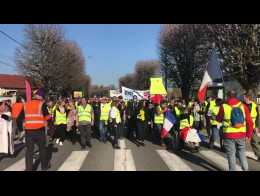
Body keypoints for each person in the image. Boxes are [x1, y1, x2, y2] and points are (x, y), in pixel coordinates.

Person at [216, 90, 254, 171]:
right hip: (241, 134)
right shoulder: (243, 106)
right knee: (242, 154)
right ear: (236, 96)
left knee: (231, 155)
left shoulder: (224, 106)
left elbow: (218, 119)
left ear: (228, 96)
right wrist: (249, 135)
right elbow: (250, 122)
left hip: (228, 135)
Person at [22, 89, 50, 171]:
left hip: (28, 131)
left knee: (29, 151)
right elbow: (48, 117)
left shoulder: (26, 104)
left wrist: (22, 128)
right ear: (41, 96)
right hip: (39, 131)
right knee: (42, 149)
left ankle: (29, 169)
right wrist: (48, 123)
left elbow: (20, 118)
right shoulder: (42, 104)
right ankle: (44, 167)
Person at [243, 91, 260, 161]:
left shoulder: (255, 106)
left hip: (252, 127)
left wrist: (257, 126)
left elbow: (258, 117)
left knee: (255, 142)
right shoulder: (241, 104)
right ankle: (240, 154)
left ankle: (259, 155)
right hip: (242, 126)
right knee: (241, 141)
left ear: (248, 97)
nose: (243, 98)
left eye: (244, 97)